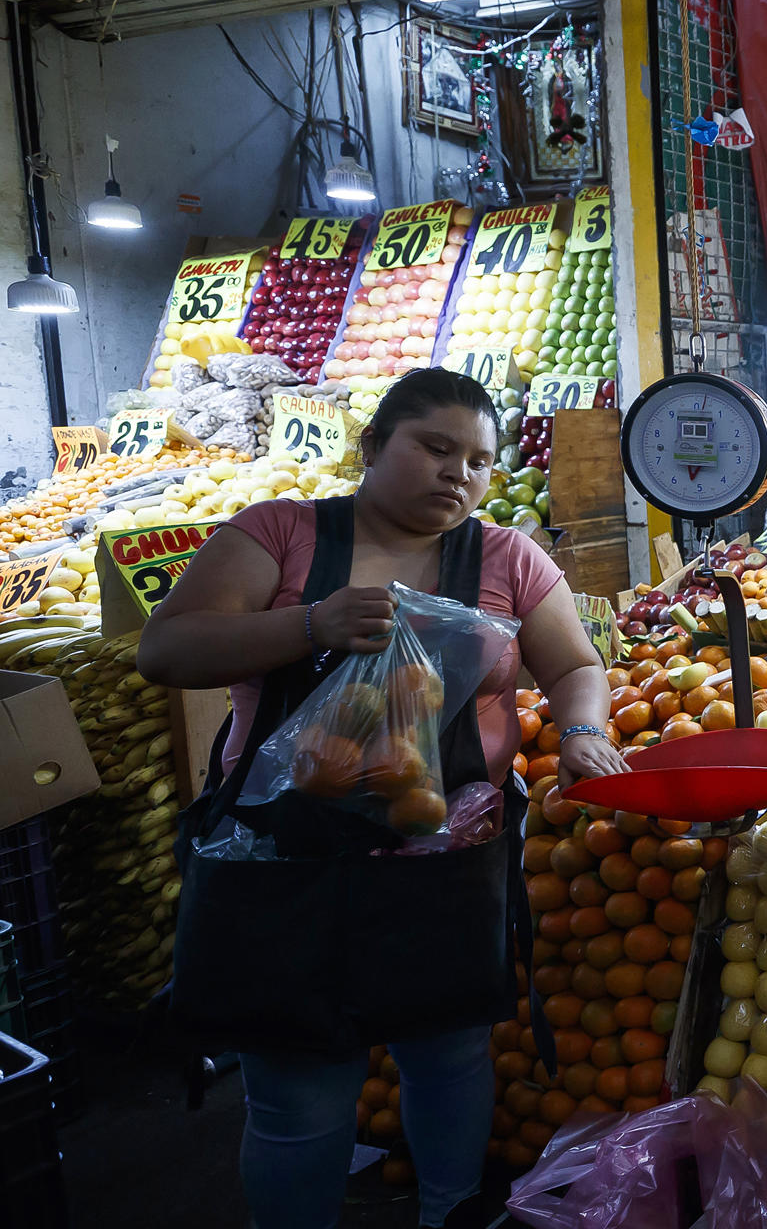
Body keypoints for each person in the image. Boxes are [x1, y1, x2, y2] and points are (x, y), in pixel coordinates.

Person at [140, 368, 627, 1229]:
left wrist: (584, 730)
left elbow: (577, 665)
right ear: (372, 446)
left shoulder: (508, 555)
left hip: (444, 864)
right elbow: (168, 650)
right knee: (301, 1097)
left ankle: (447, 1212)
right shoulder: (281, 534)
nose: (459, 475)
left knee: (448, 1057)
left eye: (478, 460)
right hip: (282, 867)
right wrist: (308, 626)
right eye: (434, 448)